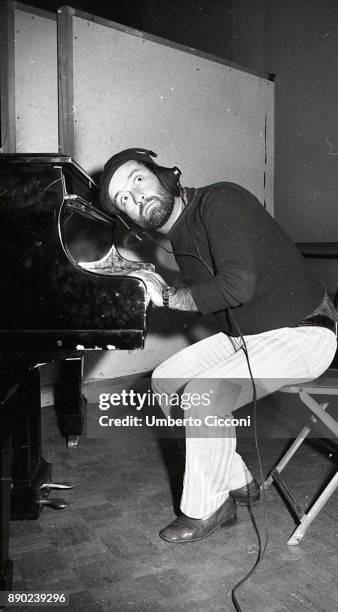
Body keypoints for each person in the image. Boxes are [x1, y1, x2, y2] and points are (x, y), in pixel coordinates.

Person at [99, 148, 337, 543]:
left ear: (164, 174)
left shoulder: (220, 199)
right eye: (125, 200)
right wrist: (149, 281)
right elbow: (216, 303)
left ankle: (208, 507)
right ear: (131, 221)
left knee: (204, 396)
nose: (136, 197)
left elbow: (234, 288)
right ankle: (237, 479)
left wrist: (168, 296)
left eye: (137, 180)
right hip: (253, 338)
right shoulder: (180, 239)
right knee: (166, 380)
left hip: (305, 333)